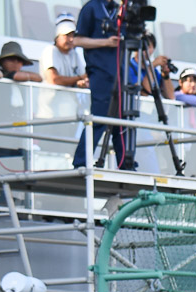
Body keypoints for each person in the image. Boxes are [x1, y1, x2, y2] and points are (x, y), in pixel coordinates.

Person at [72, 0, 123, 167]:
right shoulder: (92, 7)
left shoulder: (119, 9)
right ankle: (81, 161)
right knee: (100, 117)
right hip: (100, 71)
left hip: (120, 72)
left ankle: (125, 163)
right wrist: (106, 42)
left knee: (122, 120)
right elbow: (77, 40)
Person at [41, 17, 87, 88]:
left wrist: (82, 82)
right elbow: (53, 80)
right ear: (57, 37)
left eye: (73, 35)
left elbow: (84, 78)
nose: (71, 39)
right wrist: (80, 78)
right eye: (67, 35)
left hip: (70, 98)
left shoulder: (74, 54)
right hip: (53, 98)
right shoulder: (50, 50)